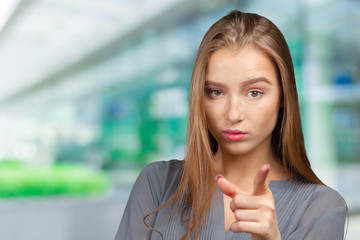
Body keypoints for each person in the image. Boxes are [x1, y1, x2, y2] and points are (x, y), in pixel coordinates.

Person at [115, 10, 347, 240]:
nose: (233, 114)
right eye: (216, 92)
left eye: (254, 93)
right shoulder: (158, 183)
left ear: (283, 96)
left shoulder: (321, 209)